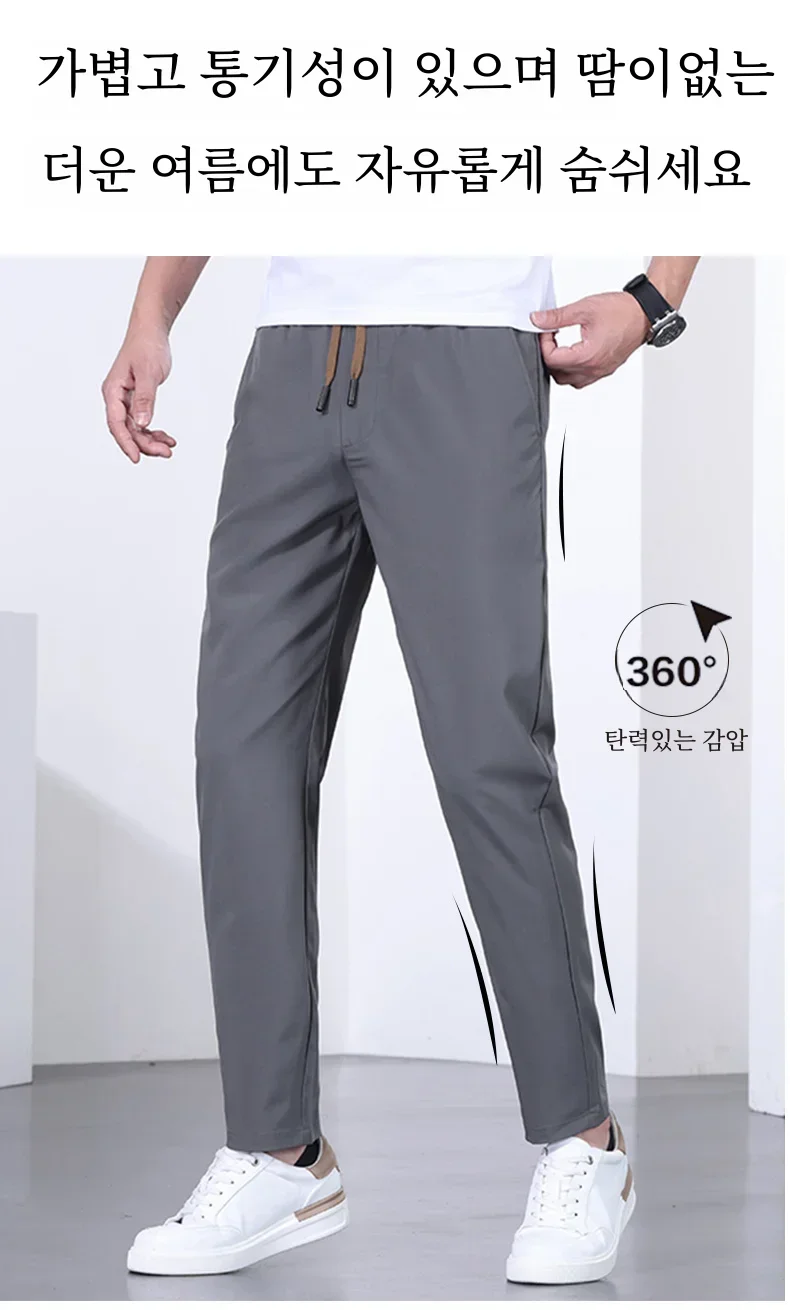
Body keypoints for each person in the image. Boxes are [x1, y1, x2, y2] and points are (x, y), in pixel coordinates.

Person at [103, 255, 699, 1284]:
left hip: (467, 353)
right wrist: (151, 315)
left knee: (487, 753)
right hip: (291, 362)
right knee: (241, 753)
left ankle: (584, 1143)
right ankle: (279, 1152)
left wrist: (653, 302)